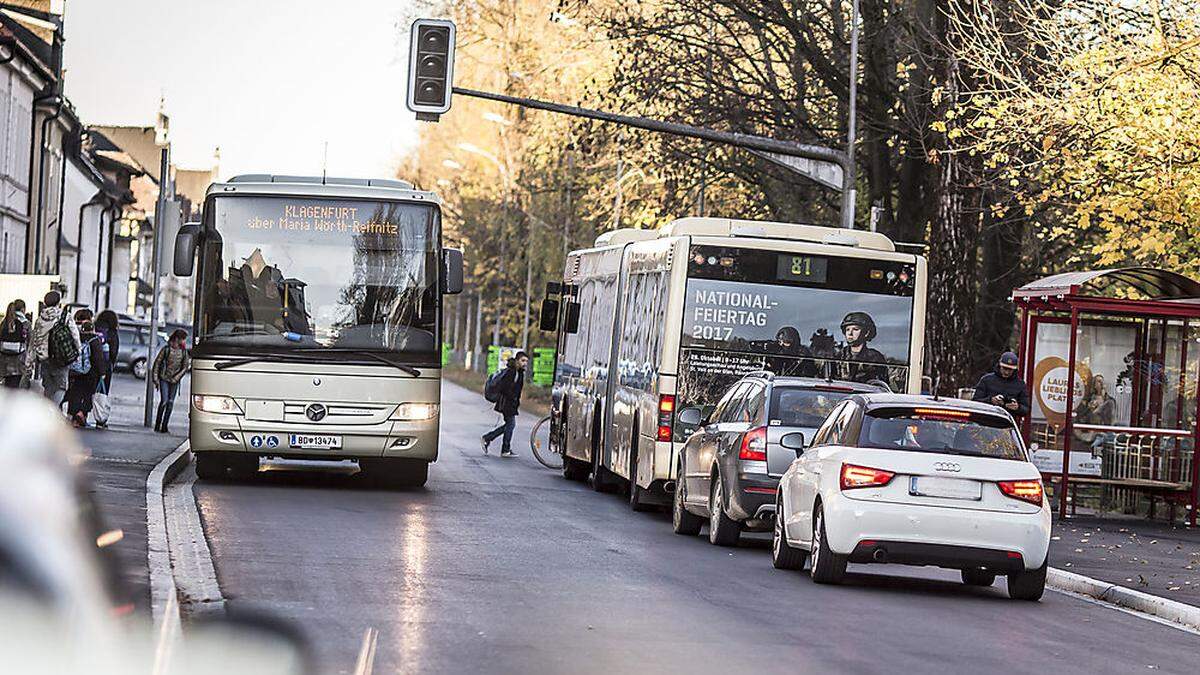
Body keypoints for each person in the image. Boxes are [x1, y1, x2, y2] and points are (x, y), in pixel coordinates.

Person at [25, 291, 80, 406]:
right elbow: (75, 334)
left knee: (48, 387)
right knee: (61, 386)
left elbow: (34, 341)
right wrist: (78, 351)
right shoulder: (65, 316)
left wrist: (29, 361)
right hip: (61, 357)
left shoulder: (40, 320)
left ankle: (48, 409)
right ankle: (53, 409)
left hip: (44, 358)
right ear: (58, 302)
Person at [65, 310, 108, 429]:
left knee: (76, 393)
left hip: (76, 372)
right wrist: (102, 372)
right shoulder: (95, 340)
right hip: (91, 373)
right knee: (89, 394)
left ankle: (74, 416)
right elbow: (98, 358)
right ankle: (81, 413)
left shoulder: (77, 338)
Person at [481, 351, 528, 458]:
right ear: (517, 360)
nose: (525, 363)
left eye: (526, 361)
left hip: (511, 403)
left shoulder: (519, 372)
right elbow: (505, 388)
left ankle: (488, 438)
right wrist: (512, 398)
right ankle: (505, 449)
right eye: (523, 360)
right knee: (511, 425)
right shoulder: (512, 372)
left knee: (508, 425)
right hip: (507, 403)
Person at [152, 329, 191, 433]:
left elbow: (185, 367)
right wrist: (155, 379)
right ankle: (158, 424)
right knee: (164, 401)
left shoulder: (183, 352)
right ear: (177, 339)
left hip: (174, 381)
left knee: (170, 402)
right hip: (164, 378)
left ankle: (165, 426)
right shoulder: (166, 349)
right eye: (183, 339)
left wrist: (176, 378)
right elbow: (157, 364)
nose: (184, 342)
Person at [972, 351, 1031, 419]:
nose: (1007, 372)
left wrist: (1017, 408)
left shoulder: (1021, 385)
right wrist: (991, 400)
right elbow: (975, 402)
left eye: (1010, 370)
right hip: (986, 421)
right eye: (1004, 368)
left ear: (1014, 370)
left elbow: (1026, 409)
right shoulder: (986, 380)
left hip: (1007, 424)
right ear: (1000, 366)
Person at [837, 312, 888, 384]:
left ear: (866, 333)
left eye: (855, 329)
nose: (850, 333)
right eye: (847, 329)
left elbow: (881, 386)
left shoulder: (875, 358)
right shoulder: (839, 355)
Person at [1075, 374, 1117, 455]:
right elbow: (1080, 418)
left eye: (1102, 381)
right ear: (1094, 385)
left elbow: (1112, 419)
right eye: (1098, 381)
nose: (1101, 383)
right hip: (1089, 430)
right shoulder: (1087, 400)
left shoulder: (1110, 401)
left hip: (1103, 431)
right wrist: (1089, 409)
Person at [1, 300, 30, 388]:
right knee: (15, 387)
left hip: (4, 360)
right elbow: (29, 341)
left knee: (7, 385)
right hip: (18, 361)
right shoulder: (25, 323)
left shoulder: (3, 323)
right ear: (23, 309)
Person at [94, 310, 120, 395]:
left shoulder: (94, 328)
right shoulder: (112, 332)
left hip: (91, 365)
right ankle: (99, 407)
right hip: (105, 366)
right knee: (102, 392)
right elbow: (113, 351)